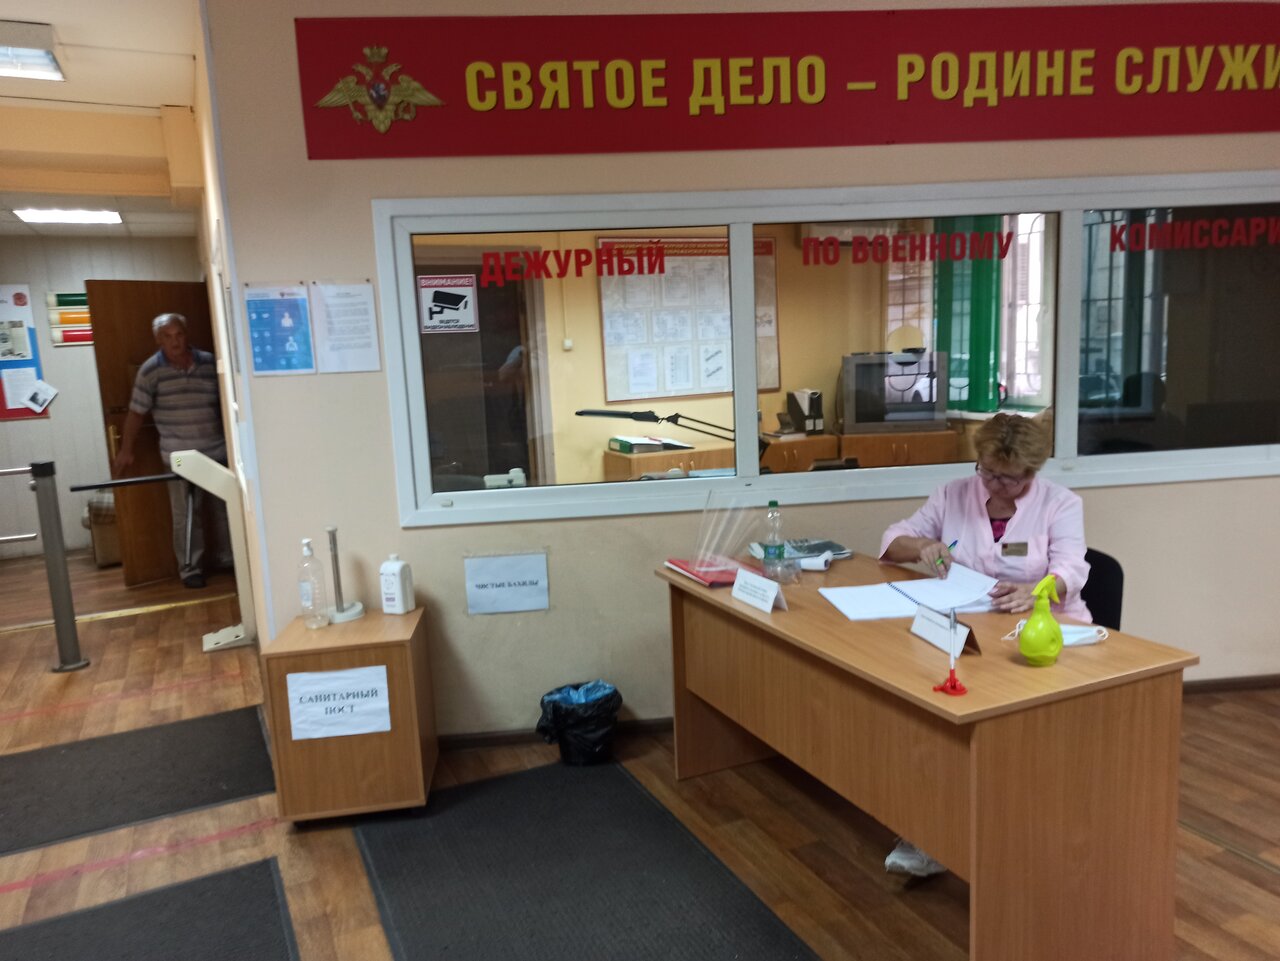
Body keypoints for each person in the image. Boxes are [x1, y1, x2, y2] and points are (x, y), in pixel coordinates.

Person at [877, 411, 1091, 877]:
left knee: (1012, 734)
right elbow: (892, 541)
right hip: (971, 629)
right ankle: (937, 829)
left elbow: (1072, 568)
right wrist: (922, 547)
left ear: (1032, 472)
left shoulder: (1060, 503)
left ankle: (1014, 828)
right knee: (934, 713)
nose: (996, 485)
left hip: (1041, 632)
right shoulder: (954, 493)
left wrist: (1037, 590)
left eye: (1010, 479)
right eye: (988, 472)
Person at [113, 313, 229, 589]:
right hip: (179, 456)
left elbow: (226, 403)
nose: (175, 342)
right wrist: (126, 450)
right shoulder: (150, 370)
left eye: (179, 335)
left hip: (216, 450)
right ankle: (190, 568)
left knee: (226, 509)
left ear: (186, 335)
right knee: (187, 515)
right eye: (168, 336)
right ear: (158, 340)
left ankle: (230, 559)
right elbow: (136, 413)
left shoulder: (209, 363)